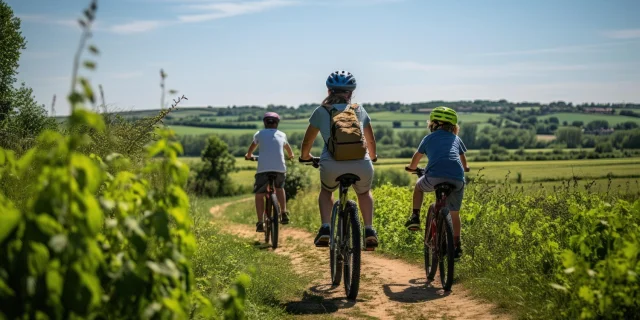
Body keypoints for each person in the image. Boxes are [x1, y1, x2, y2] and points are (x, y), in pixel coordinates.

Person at [299, 70, 379, 248]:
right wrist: (372, 157)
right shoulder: (359, 110)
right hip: (362, 165)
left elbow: (307, 141)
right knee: (364, 193)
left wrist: (305, 157)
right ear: (350, 93)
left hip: (332, 165)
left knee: (327, 192)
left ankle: (326, 227)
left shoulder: (321, 111)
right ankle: (368, 230)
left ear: (329, 92)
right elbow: (371, 140)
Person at [404, 106, 469, 260]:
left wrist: (411, 168)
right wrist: (465, 168)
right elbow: (463, 159)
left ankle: (415, 216)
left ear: (433, 124)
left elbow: (416, 157)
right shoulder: (456, 139)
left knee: (419, 187)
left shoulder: (428, 138)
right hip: (457, 178)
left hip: (434, 177)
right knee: (454, 213)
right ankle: (456, 245)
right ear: (453, 126)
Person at [245, 112, 294, 232]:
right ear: (277, 123)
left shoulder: (259, 134)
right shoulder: (282, 135)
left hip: (263, 169)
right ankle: (283, 212)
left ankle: (260, 222)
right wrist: (291, 155)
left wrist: (249, 155)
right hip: (279, 168)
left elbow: (251, 148)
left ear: (265, 123)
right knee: (279, 188)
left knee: (259, 195)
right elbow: (288, 149)